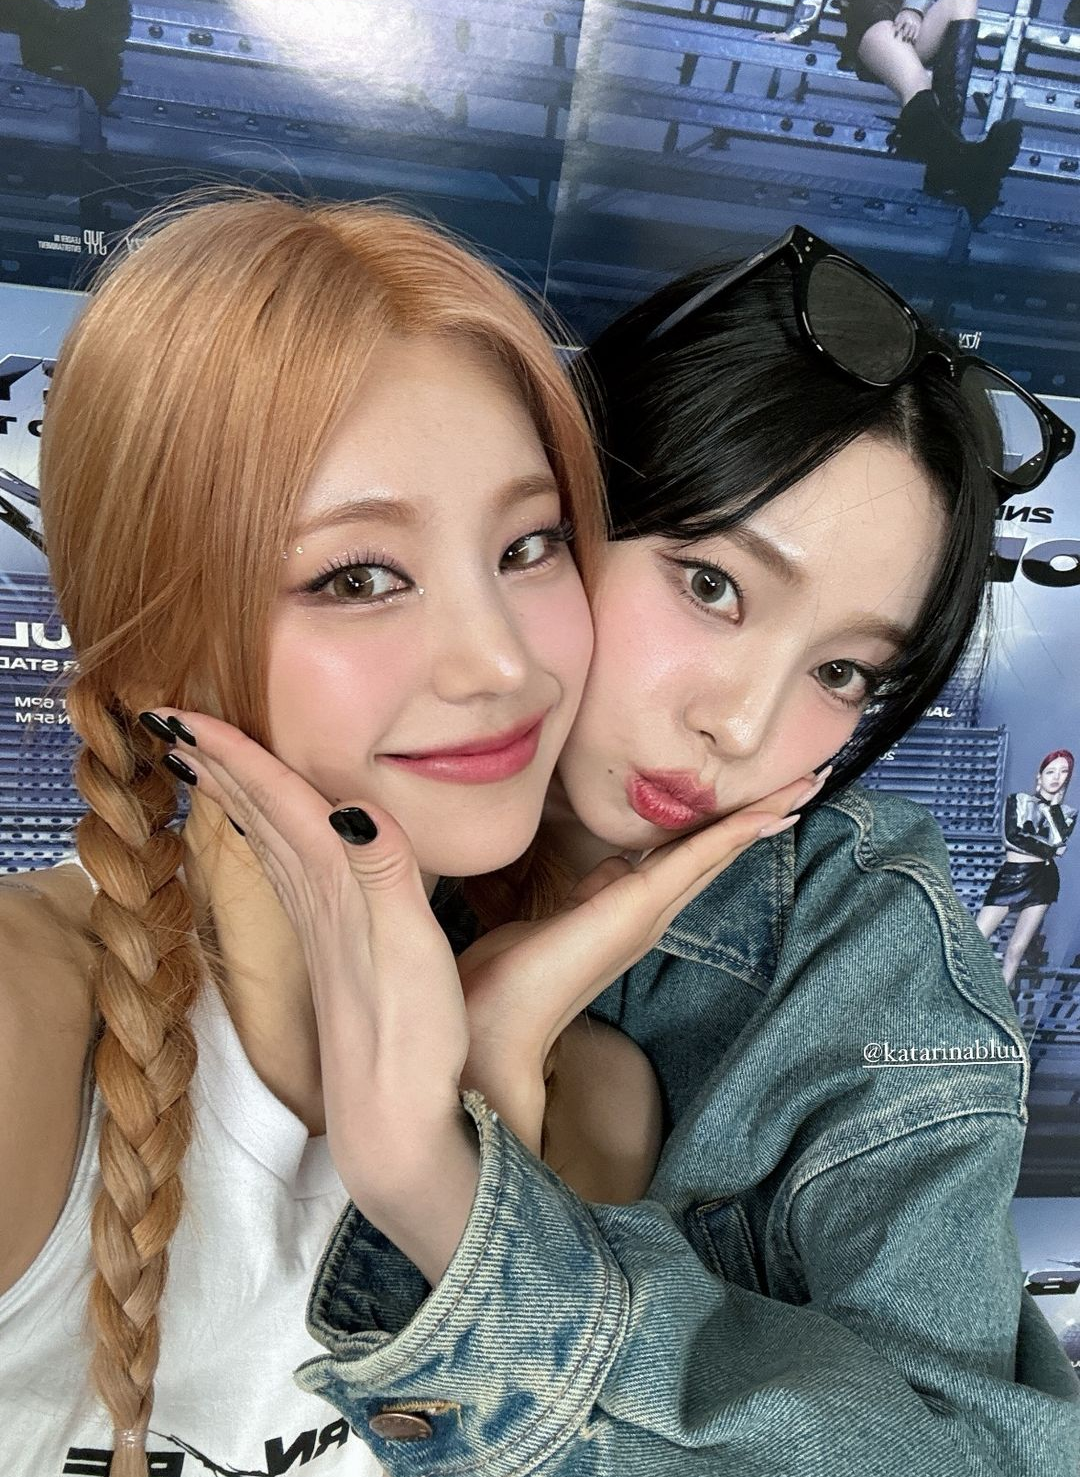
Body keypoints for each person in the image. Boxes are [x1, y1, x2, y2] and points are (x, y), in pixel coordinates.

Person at [161, 226, 1079, 1474]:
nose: (741, 725)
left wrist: (449, 1182)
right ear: (556, 517)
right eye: (711, 585)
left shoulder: (860, 941)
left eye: (844, 671)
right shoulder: (309, 822)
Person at [3, 187, 800, 1477]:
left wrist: (474, 1123)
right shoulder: (23, 1021)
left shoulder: (593, 1098)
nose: (502, 663)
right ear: (152, 653)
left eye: (530, 546)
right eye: (358, 576)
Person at [760, 0, 1022, 220]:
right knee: (918, 82)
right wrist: (795, 30)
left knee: (962, 0)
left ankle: (949, 160)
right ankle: (960, 170)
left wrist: (913, 10)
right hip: (873, 26)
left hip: (909, 26)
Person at [977, 748, 1077, 988]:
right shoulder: (1018, 800)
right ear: (1039, 776)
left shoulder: (1067, 813)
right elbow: (1012, 837)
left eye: (1063, 771)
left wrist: (1053, 810)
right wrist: (1048, 848)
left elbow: (1058, 842)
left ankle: (997, 1003)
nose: (1056, 777)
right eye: (1051, 771)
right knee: (975, 938)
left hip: (1043, 880)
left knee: (1016, 949)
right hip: (1011, 876)